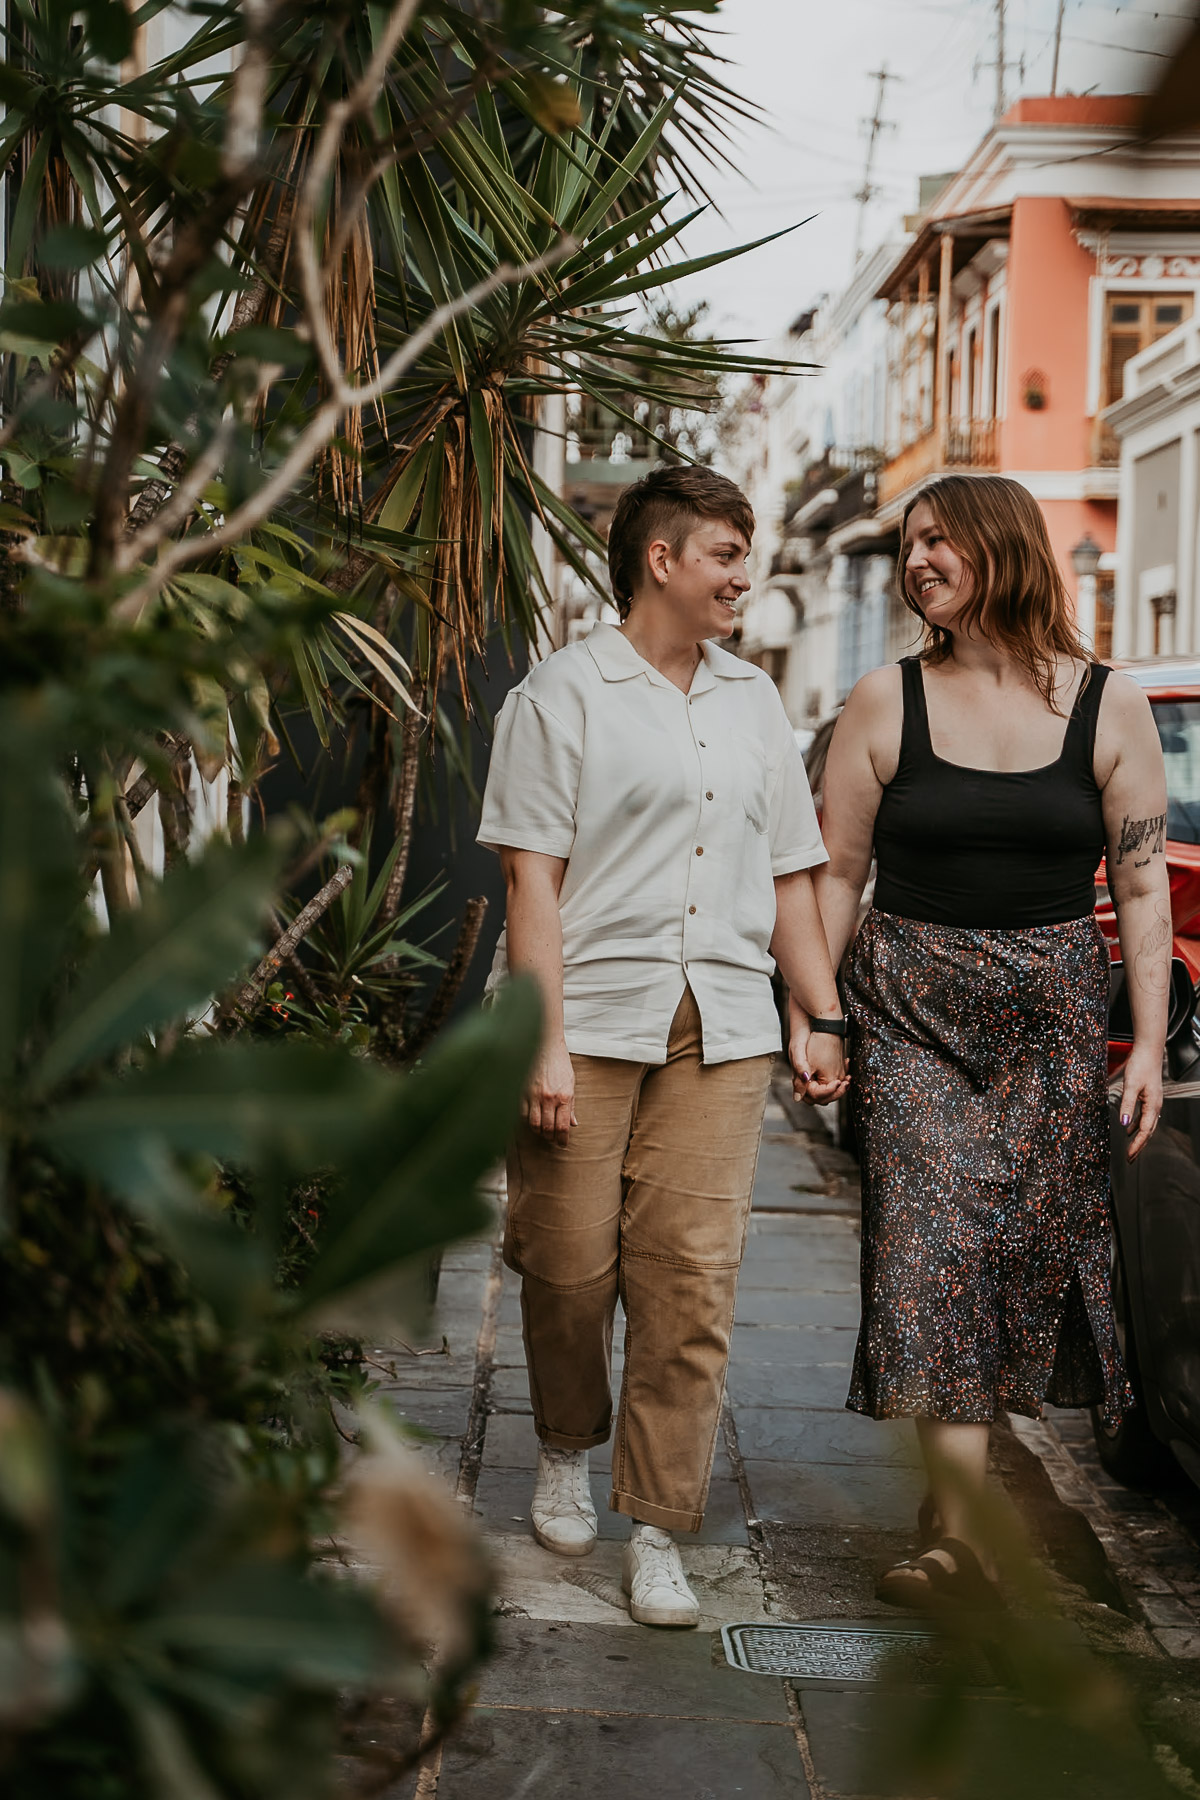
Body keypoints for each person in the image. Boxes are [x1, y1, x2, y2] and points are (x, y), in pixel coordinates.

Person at [477, 464, 848, 1627]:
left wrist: (818, 1011)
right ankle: (563, 1447)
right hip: (587, 1015)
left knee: (691, 1284)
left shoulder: (752, 704)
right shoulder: (561, 695)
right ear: (663, 560)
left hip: (723, 1028)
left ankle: (658, 1528)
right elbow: (531, 879)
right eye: (728, 555)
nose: (746, 575)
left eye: (748, 553)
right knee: (569, 1260)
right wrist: (541, 1039)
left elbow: (792, 875)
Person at [813, 474, 1170, 1610]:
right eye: (911, 543)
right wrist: (817, 1012)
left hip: (1053, 1022)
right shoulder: (885, 699)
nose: (917, 560)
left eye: (938, 540)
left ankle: (952, 1496)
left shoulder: (1108, 704)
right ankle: (962, 1537)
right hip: (911, 1009)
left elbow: (1145, 882)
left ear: (1002, 548)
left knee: (1012, 1260)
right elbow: (835, 872)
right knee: (926, 1252)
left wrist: (1149, 1042)